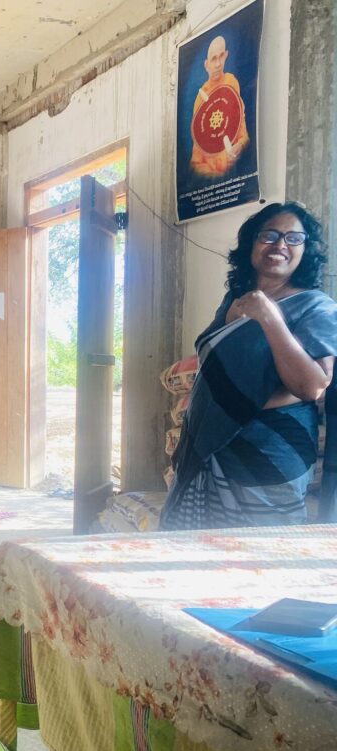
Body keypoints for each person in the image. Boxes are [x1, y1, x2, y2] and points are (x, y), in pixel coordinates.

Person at [161, 202, 337, 530]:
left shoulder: (316, 306)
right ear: (251, 244)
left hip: (269, 452)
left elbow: (313, 386)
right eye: (269, 235)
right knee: (201, 551)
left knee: (263, 552)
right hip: (212, 442)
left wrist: (270, 318)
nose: (280, 244)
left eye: (293, 238)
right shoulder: (234, 301)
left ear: (306, 250)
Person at [189, 35, 250, 178]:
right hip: (215, 177)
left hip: (238, 172)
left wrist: (240, 145)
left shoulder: (231, 82)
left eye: (221, 56)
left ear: (226, 56)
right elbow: (197, 162)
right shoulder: (200, 99)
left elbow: (243, 131)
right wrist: (218, 169)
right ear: (206, 65)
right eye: (213, 59)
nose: (218, 64)